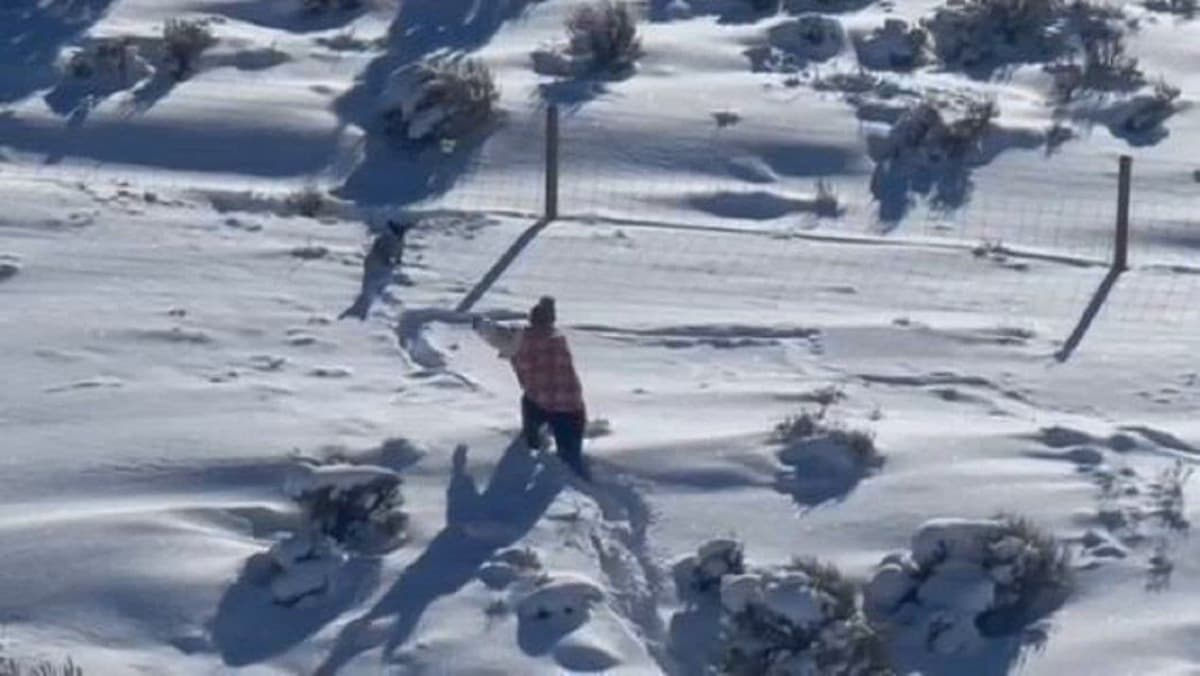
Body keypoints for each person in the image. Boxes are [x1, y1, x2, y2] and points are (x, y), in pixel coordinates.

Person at [472, 296, 590, 480]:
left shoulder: (518, 339)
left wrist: (479, 323)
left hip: (541, 403)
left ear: (531, 319)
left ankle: (532, 441)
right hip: (573, 408)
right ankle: (582, 480)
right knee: (571, 459)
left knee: (529, 404)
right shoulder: (558, 337)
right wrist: (547, 306)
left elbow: (493, 333)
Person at [340, 219, 412, 321]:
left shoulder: (398, 240)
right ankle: (367, 307)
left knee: (379, 286)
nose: (401, 235)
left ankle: (375, 305)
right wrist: (390, 260)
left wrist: (396, 261)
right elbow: (379, 250)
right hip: (376, 264)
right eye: (400, 232)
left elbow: (397, 255)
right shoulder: (386, 239)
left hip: (383, 266)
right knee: (371, 287)